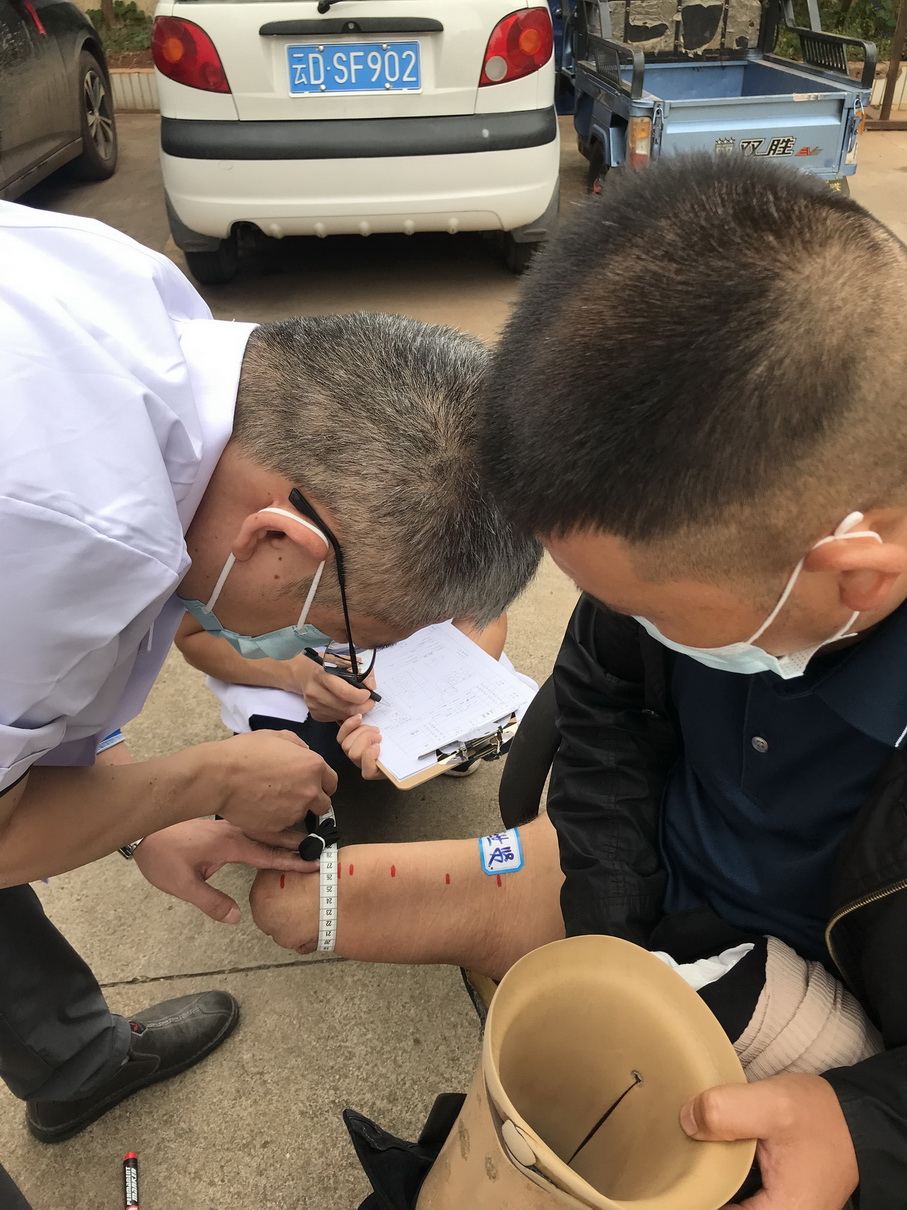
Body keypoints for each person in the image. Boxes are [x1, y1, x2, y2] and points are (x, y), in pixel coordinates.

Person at [250, 156, 907, 1209]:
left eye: (654, 613)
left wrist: (867, 1127)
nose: (620, 623)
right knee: (287, 905)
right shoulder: (667, 535)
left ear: (853, 573)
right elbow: (600, 707)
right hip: (646, 880)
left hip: (848, 1015)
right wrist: (607, 922)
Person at [0, 201, 539, 1145]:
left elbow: (34, 697)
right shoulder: (77, 541)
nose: (327, 647)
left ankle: (72, 1064)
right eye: (339, 627)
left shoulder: (141, 306)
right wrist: (205, 779)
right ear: (279, 540)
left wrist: (134, 813)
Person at [174, 611, 516, 778]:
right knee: (277, 772)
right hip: (289, 673)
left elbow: (487, 608)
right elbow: (193, 635)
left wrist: (451, 700)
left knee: (494, 723)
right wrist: (300, 675)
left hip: (419, 663)